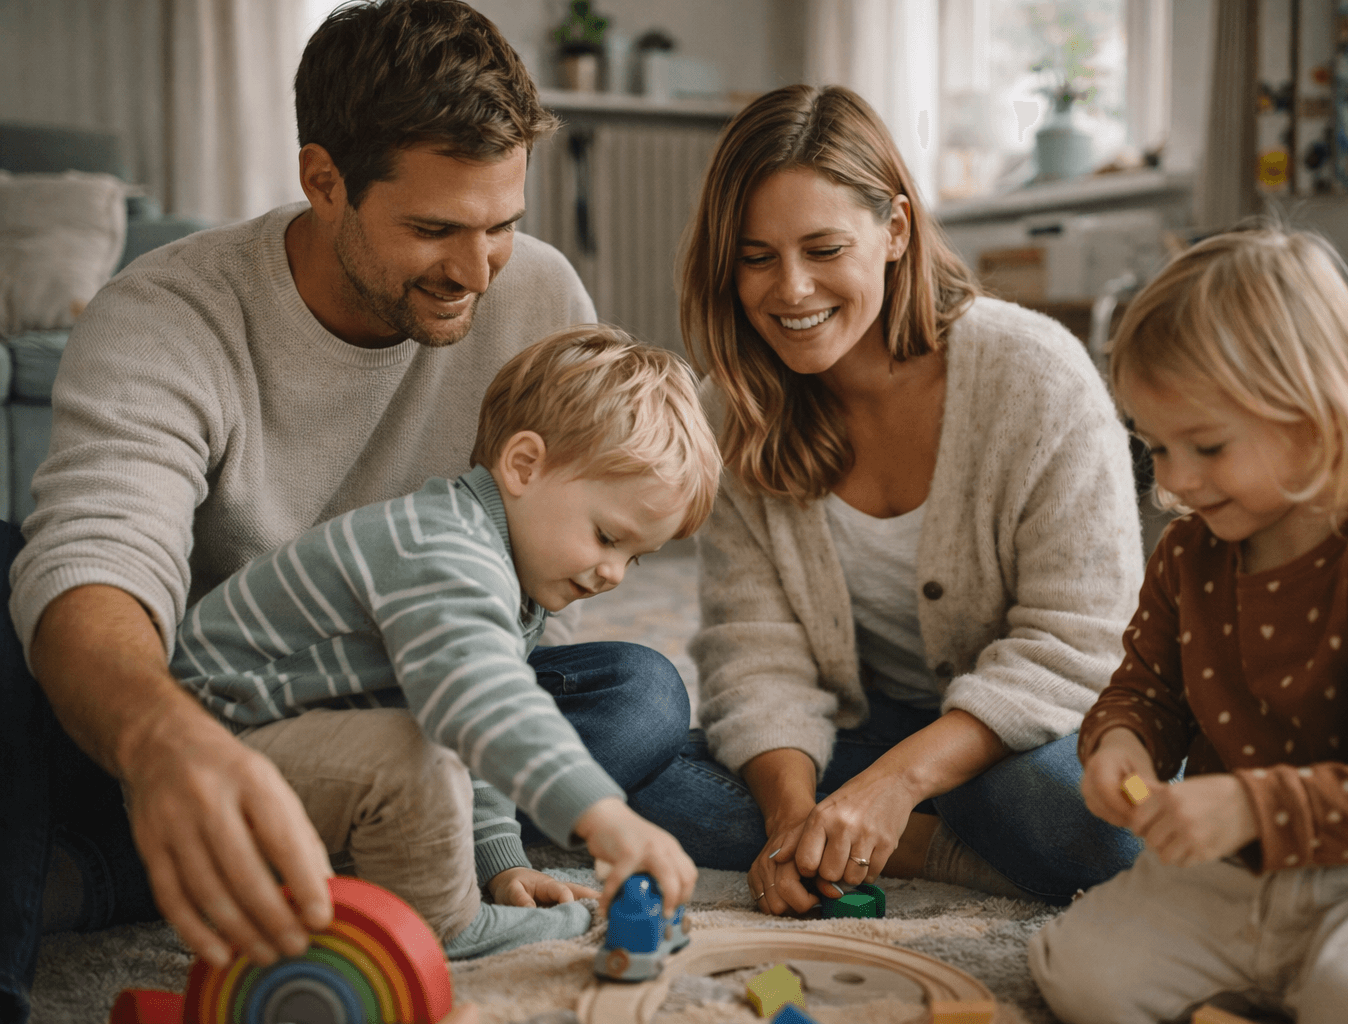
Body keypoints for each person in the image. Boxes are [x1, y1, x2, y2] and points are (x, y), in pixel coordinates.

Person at [2, 2, 694, 1017]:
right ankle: (166, 851)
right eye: (433, 229)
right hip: (204, 714)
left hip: (407, 688)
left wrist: (497, 848)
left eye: (502, 225)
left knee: (641, 694)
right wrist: (166, 748)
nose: (476, 272)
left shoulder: (539, 294)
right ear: (323, 180)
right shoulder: (170, 312)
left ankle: (119, 872)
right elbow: (100, 564)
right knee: (17, 583)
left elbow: (493, 654)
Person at [626, 84, 1145, 913]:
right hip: (864, 729)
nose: (791, 290)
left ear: (895, 229)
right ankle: (912, 842)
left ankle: (916, 832)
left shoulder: (1034, 373)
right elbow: (756, 652)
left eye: (823, 248)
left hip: (1033, 731)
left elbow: (1077, 643)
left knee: (1094, 822)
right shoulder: (736, 412)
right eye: (757, 258)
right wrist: (790, 819)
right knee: (629, 769)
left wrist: (898, 784)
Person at [1028, 226, 1348, 1023]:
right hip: (1235, 869)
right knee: (1079, 972)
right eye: (1157, 448)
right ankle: (1288, 987)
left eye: (1206, 446)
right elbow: (1146, 691)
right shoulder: (1188, 554)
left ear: (1315, 418)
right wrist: (1120, 744)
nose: (1176, 482)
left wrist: (1249, 806)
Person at [169, 326, 711, 957]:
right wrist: (605, 818)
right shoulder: (444, 549)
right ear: (524, 466)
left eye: (634, 559)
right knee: (415, 756)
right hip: (205, 762)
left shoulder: (508, 574)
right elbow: (484, 707)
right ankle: (445, 924)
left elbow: (470, 734)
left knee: (441, 737)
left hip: (285, 753)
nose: (613, 574)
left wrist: (501, 861)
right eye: (607, 538)